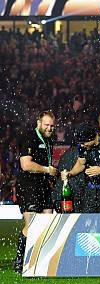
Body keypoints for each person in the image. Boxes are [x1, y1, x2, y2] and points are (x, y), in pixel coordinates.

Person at [13, 111, 57, 273]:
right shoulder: (30, 137)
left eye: (52, 126)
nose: (49, 128)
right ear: (39, 123)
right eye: (46, 125)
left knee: (46, 222)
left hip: (43, 185)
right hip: (29, 186)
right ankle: (19, 261)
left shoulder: (49, 140)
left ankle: (38, 259)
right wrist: (47, 169)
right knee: (32, 225)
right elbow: (26, 164)